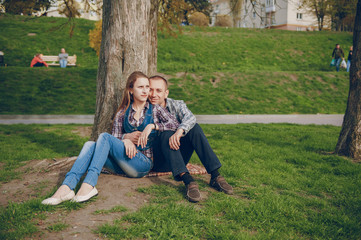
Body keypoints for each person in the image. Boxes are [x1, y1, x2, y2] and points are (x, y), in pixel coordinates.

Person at [42, 71, 179, 205]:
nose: (145, 91)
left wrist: (152, 126)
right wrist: (125, 139)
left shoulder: (155, 109)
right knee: (90, 145)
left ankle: (89, 184)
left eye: (147, 87)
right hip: (123, 163)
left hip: (142, 163)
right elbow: (113, 141)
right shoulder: (122, 113)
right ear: (131, 90)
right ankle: (66, 187)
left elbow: (174, 124)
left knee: (104, 137)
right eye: (140, 87)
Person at [137, 75, 232, 202]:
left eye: (158, 90)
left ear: (166, 93)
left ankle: (215, 176)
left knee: (194, 128)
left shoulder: (177, 104)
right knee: (166, 134)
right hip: (160, 160)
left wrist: (180, 131)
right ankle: (189, 182)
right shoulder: (144, 108)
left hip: (179, 155)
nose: (153, 94)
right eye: (151, 90)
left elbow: (191, 118)